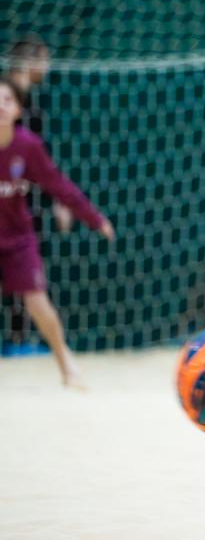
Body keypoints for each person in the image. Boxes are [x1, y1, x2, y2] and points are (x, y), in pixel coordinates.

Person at [0, 77, 115, 387]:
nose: (0, 106)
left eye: (7, 100)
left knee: (38, 302)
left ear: (18, 109)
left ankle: (66, 364)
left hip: (18, 238)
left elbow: (57, 184)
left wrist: (94, 218)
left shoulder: (28, 146)